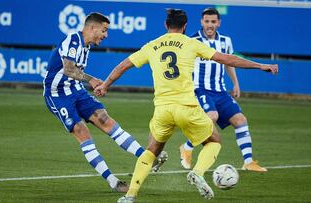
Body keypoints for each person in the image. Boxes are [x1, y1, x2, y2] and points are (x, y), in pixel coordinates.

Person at [94, 9, 278, 203]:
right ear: (185, 27)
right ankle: (198, 172)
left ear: (166, 25)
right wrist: (259, 65)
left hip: (163, 110)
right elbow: (227, 59)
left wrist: (105, 85)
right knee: (214, 140)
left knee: (151, 150)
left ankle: (130, 195)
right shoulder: (192, 43)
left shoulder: (152, 45)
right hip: (187, 108)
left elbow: (123, 65)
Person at [42, 12, 167, 193]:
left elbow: (74, 73)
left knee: (104, 119)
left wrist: (91, 80)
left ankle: (147, 158)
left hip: (76, 90)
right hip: (58, 95)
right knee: (82, 131)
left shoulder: (86, 46)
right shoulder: (73, 40)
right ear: (92, 27)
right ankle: (113, 182)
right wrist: (90, 79)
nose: (106, 35)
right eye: (104, 30)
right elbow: (69, 69)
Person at [179, 7, 267, 172]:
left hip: (220, 91)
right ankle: (187, 147)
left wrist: (236, 83)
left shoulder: (226, 41)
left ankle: (248, 162)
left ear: (218, 23)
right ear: (201, 22)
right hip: (200, 90)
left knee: (241, 120)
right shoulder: (193, 40)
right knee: (211, 116)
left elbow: (229, 62)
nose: (210, 25)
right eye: (207, 21)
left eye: (213, 21)